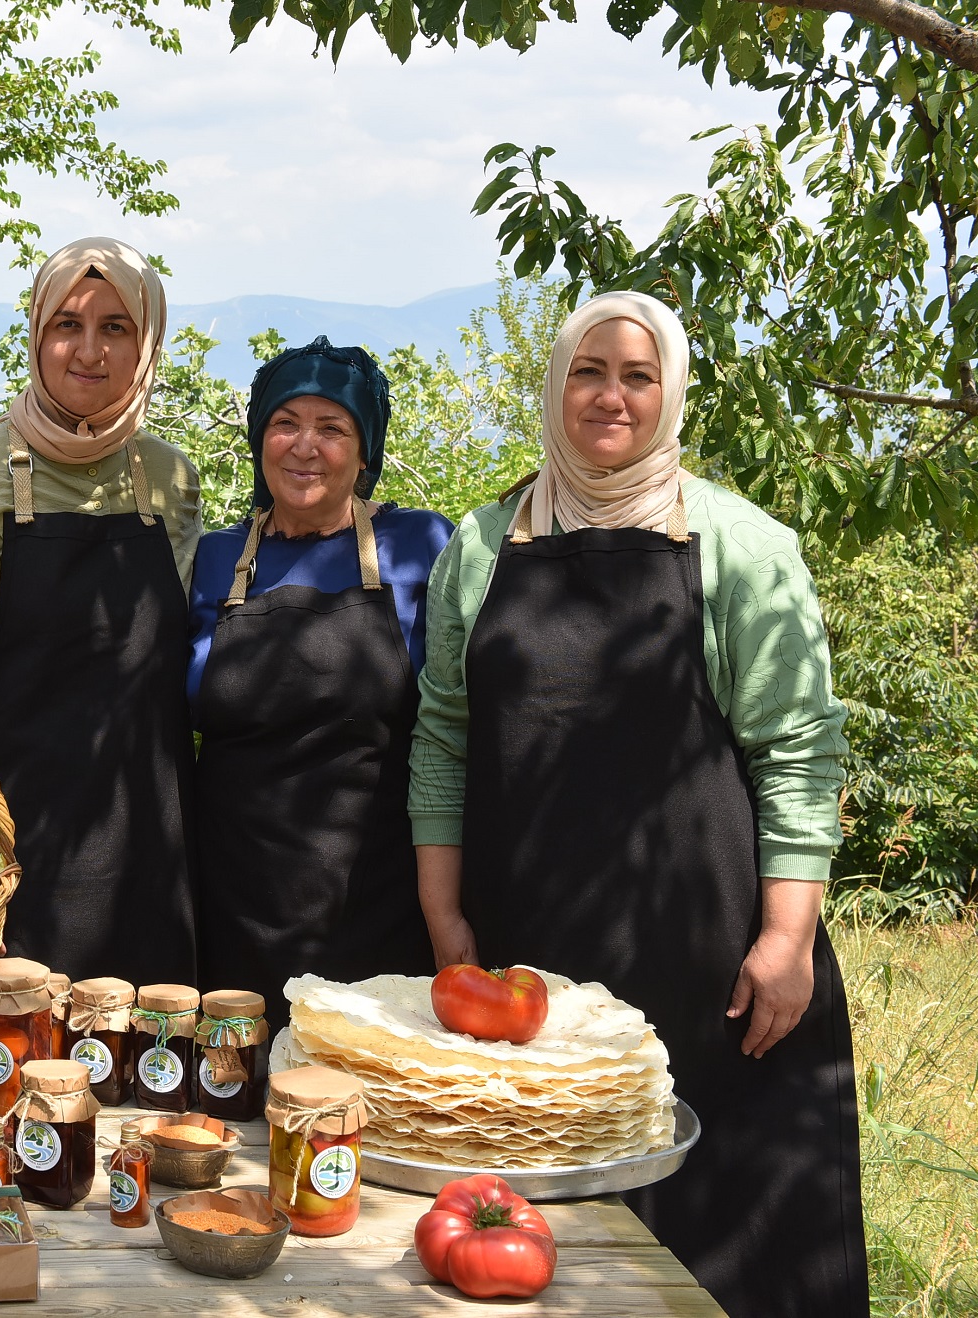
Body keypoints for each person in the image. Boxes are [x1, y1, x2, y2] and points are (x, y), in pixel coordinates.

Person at [409, 291, 866, 1318]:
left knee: (720, 1249)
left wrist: (786, 937)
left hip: (707, 967)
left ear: (669, 394)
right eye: (587, 371)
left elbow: (797, 752)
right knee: (536, 1254)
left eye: (636, 376)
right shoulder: (479, 547)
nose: (609, 396)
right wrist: (442, 912)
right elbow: (441, 736)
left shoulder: (742, 546)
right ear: (554, 385)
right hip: (527, 971)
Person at [0, 237, 201, 983]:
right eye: (68, 324)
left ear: (146, 343)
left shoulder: (169, 478)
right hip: (21, 859)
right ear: (37, 336)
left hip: (154, 852)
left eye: (115, 327)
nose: (89, 351)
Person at [187, 339, 451, 1025]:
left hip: (376, 901)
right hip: (230, 905)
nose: (304, 446)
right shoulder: (214, 558)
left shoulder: (420, 546)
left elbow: (456, 730)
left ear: (366, 453)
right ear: (259, 441)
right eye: (285, 423)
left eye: (332, 428)